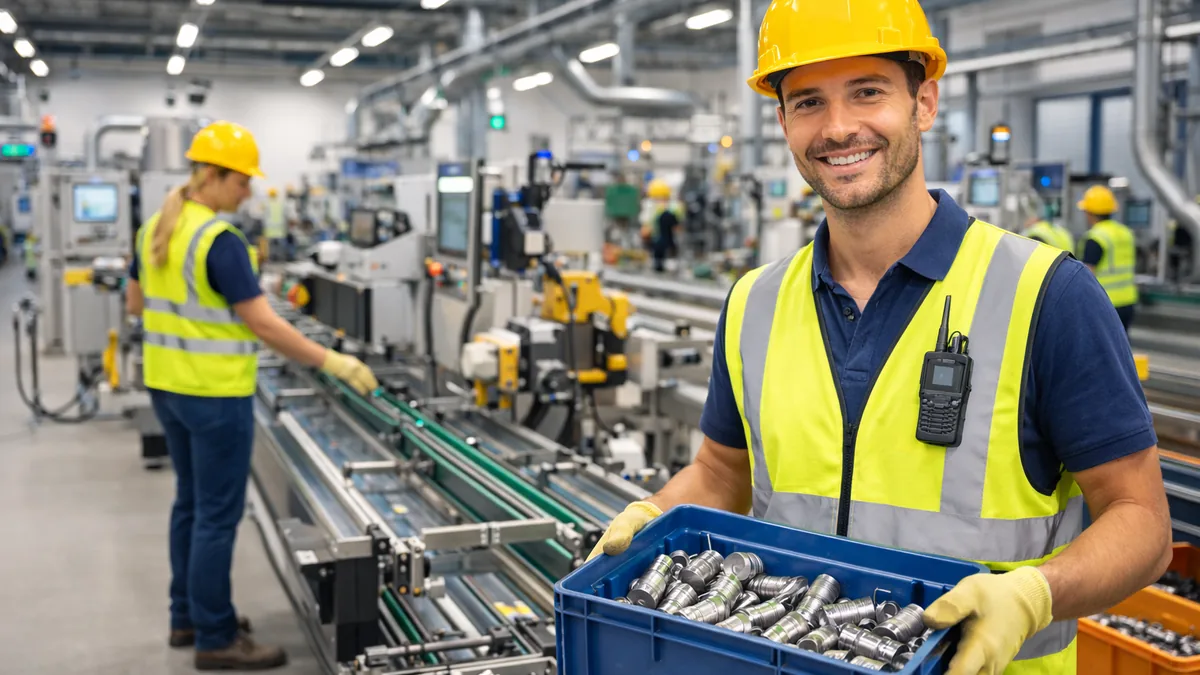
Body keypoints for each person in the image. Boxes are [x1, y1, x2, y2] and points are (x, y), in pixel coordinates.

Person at [589, 2, 1171, 674]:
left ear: (924, 103)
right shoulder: (753, 302)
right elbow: (722, 473)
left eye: (867, 91)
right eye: (808, 102)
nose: (838, 128)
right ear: (782, 122)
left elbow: (1144, 523)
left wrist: (1035, 595)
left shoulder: (1048, 295)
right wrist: (652, 514)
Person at [125, 121, 379, 671]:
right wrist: (335, 360)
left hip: (167, 387)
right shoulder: (219, 241)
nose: (249, 192)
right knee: (218, 516)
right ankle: (215, 637)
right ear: (213, 176)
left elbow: (133, 304)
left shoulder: (153, 230)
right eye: (242, 181)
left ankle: (187, 616)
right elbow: (265, 325)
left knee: (190, 504)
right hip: (215, 396)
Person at [1078, 185, 1138, 332]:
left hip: (1106, 303)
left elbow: (1087, 274)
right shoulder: (1125, 232)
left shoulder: (1096, 237)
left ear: (1090, 213)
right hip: (1128, 300)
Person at [641, 178, 682, 272]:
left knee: (658, 260)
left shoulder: (653, 209)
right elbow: (677, 227)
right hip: (666, 240)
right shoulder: (673, 209)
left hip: (658, 240)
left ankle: (660, 267)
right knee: (665, 259)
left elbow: (647, 226)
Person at [263, 187, 287, 263]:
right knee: (280, 246)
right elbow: (285, 215)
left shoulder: (266, 204)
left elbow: (264, 216)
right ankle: (280, 259)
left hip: (270, 229)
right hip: (280, 228)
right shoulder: (281, 203)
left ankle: (271, 259)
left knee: (271, 246)